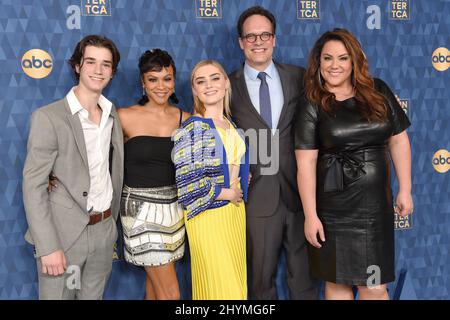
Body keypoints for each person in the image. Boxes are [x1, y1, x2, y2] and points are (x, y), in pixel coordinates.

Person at [294, 28, 413, 300]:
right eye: (327, 58)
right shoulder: (312, 102)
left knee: (374, 286)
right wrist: (311, 216)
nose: (335, 65)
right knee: (337, 284)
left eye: (343, 58)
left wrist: (405, 188)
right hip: (333, 211)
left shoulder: (378, 89)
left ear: (354, 61)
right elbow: (306, 163)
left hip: (374, 209)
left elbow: (399, 141)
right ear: (318, 62)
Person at [22, 35, 123, 300]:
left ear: (112, 72)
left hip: (103, 231)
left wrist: (111, 227)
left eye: (106, 64)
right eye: (91, 62)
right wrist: (48, 246)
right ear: (78, 66)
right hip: (63, 235)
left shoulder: (113, 116)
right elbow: (33, 186)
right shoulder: (49, 117)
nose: (98, 70)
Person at [228, 5, 317, 299]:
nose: (258, 41)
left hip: (301, 194)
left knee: (304, 279)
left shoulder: (299, 77)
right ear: (241, 42)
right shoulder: (227, 85)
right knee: (260, 281)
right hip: (256, 197)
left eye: (264, 34)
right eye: (250, 36)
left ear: (274, 39)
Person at [173, 60, 250, 299]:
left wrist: (241, 178)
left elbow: (229, 164)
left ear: (226, 82)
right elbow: (186, 184)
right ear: (194, 90)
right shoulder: (193, 128)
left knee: (235, 285)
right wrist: (225, 192)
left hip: (234, 214)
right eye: (200, 81)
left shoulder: (231, 125)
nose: (209, 85)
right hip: (208, 216)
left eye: (215, 78)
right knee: (220, 287)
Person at [117, 49, 190, 300]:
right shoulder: (124, 117)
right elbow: (95, 157)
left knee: (155, 286)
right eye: (153, 79)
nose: (161, 86)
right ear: (143, 82)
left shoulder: (187, 119)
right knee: (171, 292)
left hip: (175, 209)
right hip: (139, 210)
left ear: (174, 80)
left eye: (167, 79)